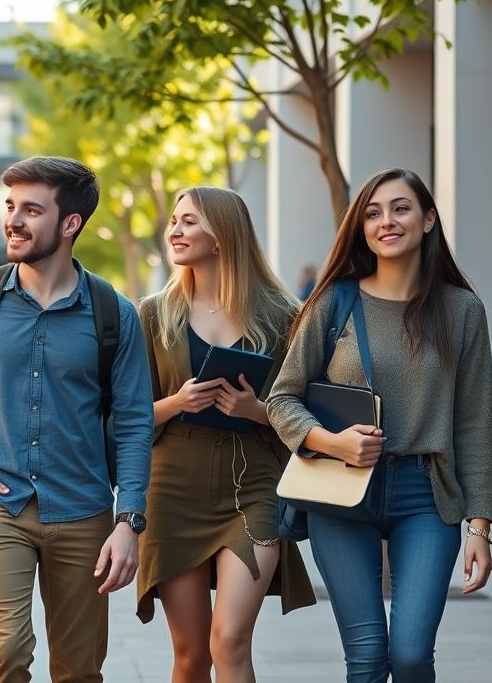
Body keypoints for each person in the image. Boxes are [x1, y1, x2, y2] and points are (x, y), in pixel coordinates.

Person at [0, 156, 154, 683]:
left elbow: (134, 423)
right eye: (10, 206)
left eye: (31, 209)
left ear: (70, 223)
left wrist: (129, 520)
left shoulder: (114, 313)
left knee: (78, 669)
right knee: (5, 654)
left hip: (83, 509)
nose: (13, 220)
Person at [267, 168, 492, 682]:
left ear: (428, 219)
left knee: (411, 654)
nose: (386, 222)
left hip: (426, 493)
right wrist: (333, 443)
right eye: (372, 213)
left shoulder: (463, 310)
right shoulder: (333, 302)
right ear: (361, 228)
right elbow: (282, 399)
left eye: (400, 208)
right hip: (340, 490)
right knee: (367, 655)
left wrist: (480, 526)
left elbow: (474, 423)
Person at [136, 186, 315, 683]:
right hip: (172, 492)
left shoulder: (283, 316)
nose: (175, 231)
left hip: (253, 487)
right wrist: (178, 402)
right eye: (174, 221)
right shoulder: (153, 314)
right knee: (191, 655)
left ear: (222, 234)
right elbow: (124, 419)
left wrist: (256, 411)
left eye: (189, 221)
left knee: (230, 640)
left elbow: (305, 412)